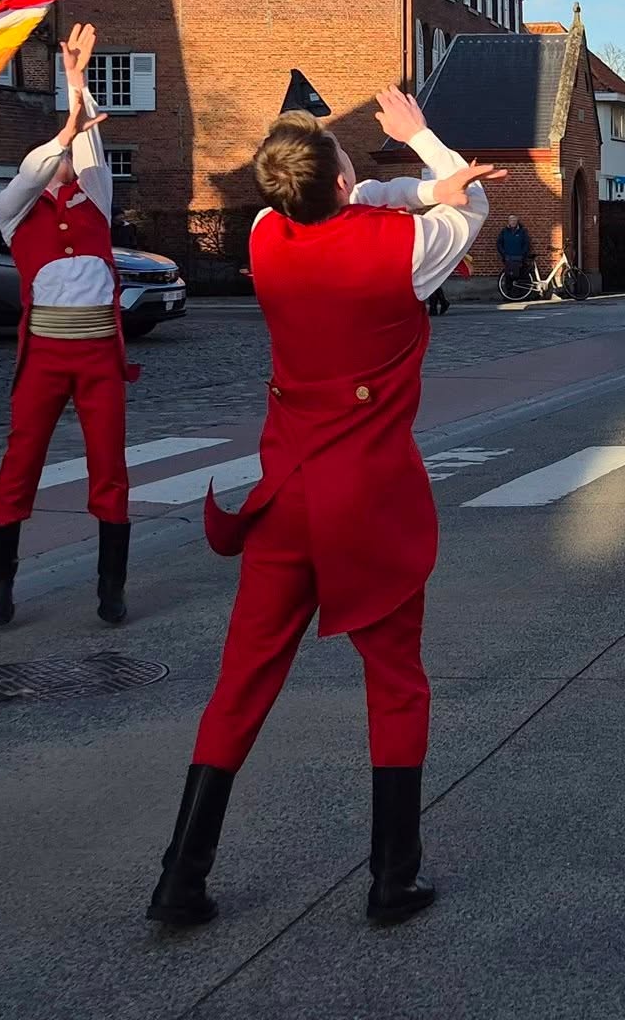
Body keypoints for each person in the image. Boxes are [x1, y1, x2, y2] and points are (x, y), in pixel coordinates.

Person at [146, 87, 500, 929]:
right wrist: (425, 146)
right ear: (341, 185)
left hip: (284, 494)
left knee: (241, 683)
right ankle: (391, 878)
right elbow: (475, 204)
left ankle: (180, 876)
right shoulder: (404, 254)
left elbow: (366, 201)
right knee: (395, 684)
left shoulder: (268, 238)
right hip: (366, 500)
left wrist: (412, 190)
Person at [0, 22, 137, 628]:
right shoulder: (13, 211)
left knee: (110, 464)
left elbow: (92, 148)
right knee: (22, 459)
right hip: (45, 354)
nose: (69, 161)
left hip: (98, 353)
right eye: (60, 156)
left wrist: (75, 83)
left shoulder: (95, 199)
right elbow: (26, 176)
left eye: (72, 156)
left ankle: (111, 586)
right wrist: (61, 134)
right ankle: (1, 582)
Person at [496, 215, 528, 284]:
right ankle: (508, 291)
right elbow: (499, 243)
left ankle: (519, 292)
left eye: (514, 220)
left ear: (517, 222)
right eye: (511, 220)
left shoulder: (522, 232)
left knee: (519, 276)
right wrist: (504, 254)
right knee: (508, 276)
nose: (513, 222)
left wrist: (522, 254)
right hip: (508, 258)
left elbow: (526, 244)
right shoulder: (504, 231)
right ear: (508, 222)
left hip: (519, 258)